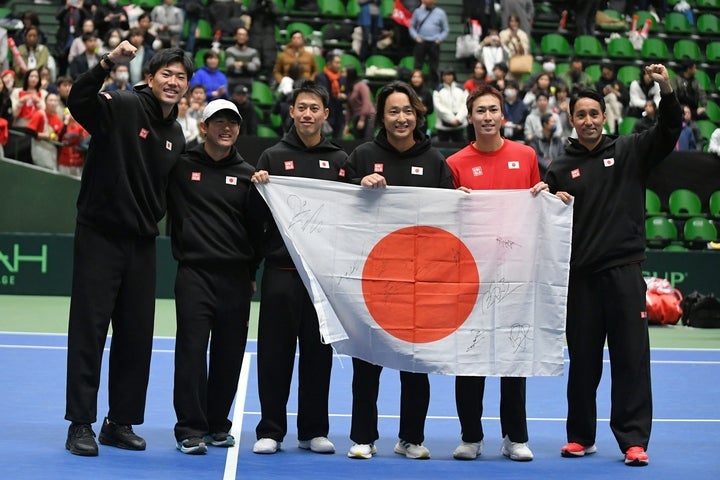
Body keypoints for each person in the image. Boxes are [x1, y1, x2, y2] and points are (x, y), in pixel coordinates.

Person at [545, 65, 681, 467]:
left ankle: (633, 441)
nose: (588, 121)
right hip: (580, 279)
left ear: (605, 117)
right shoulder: (557, 168)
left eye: (594, 114)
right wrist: (540, 194)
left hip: (623, 273)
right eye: (581, 115)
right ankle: (580, 437)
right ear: (571, 120)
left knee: (631, 359)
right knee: (583, 363)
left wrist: (665, 88)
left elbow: (671, 128)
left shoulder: (629, 150)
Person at [64, 42, 193, 457]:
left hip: (141, 243)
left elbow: (176, 196)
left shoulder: (176, 134)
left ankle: (119, 422)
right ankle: (80, 423)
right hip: (99, 234)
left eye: (181, 77)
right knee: (90, 331)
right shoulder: (122, 104)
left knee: (136, 336)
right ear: (150, 78)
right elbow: (78, 101)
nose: (174, 82)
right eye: (167, 75)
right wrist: (107, 63)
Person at [343, 80, 453, 461]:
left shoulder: (435, 161)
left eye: (407, 110)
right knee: (367, 363)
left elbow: (452, 220)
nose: (401, 118)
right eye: (393, 111)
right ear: (381, 116)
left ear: (418, 114)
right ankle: (363, 437)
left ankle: (411, 437)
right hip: (372, 279)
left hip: (420, 281)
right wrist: (359, 184)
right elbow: (339, 207)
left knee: (414, 365)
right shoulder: (361, 155)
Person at [445, 83, 544, 463]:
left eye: (493, 110)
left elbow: (536, 203)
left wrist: (547, 197)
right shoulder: (454, 164)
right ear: (470, 117)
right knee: (468, 358)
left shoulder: (526, 155)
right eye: (480, 111)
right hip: (471, 277)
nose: (487, 117)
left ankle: (515, 436)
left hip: (515, 276)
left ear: (503, 115)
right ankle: (471, 436)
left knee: (512, 357)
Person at [250, 81, 348, 455]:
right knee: (274, 355)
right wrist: (256, 188)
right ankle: (270, 429)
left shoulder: (339, 161)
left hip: (322, 280)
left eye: (314, 108)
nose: (307, 114)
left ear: (325, 114)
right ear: (291, 112)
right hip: (280, 274)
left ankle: (313, 430)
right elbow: (255, 218)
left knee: (317, 356)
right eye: (301, 107)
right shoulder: (272, 158)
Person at [168, 99, 263, 455]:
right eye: (218, 122)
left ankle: (217, 425)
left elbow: (257, 230)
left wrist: (251, 273)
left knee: (229, 354)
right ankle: (189, 428)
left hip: (237, 279)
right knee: (191, 353)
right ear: (203, 127)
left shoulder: (248, 175)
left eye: (233, 123)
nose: (227, 128)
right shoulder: (180, 167)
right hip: (194, 274)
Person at [409, 0, 449, 88]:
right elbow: (411, 27)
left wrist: (439, 39)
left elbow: (445, 29)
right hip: (421, 41)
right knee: (418, 66)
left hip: (434, 42)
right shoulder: (417, 12)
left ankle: (434, 87)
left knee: (434, 67)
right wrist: (416, 37)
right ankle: (416, 86)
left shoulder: (440, 13)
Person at [26, 91, 63, 171]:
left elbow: (59, 136)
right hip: (40, 148)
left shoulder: (57, 118)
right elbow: (29, 131)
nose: (53, 103)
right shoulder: (40, 114)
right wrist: (42, 135)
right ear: (45, 102)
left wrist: (55, 137)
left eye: (55, 101)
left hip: (51, 151)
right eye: (50, 100)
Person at [314, 53, 346, 139]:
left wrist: (344, 96)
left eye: (339, 63)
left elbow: (347, 93)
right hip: (326, 113)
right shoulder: (320, 77)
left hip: (338, 114)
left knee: (338, 140)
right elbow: (320, 95)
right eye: (336, 63)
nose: (339, 65)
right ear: (329, 63)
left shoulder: (342, 78)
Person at [433, 67, 468, 143]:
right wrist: (452, 119)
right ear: (442, 77)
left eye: (450, 75)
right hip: (443, 127)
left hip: (459, 125)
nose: (447, 77)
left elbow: (465, 105)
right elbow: (438, 107)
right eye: (445, 75)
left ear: (454, 76)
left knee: (459, 150)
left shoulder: (462, 89)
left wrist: (458, 119)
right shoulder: (437, 90)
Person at [224, 27, 261, 92]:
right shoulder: (229, 51)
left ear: (247, 37)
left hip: (248, 82)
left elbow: (255, 67)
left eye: (244, 35)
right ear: (235, 36)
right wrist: (248, 65)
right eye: (239, 34)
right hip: (232, 82)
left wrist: (242, 64)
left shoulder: (253, 52)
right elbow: (230, 65)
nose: (241, 37)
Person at [344, 65, 375, 141]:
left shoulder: (361, 85)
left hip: (368, 117)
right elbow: (348, 107)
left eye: (344, 72)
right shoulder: (349, 87)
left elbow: (366, 102)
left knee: (367, 140)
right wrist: (347, 124)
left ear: (350, 73)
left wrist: (362, 119)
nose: (342, 74)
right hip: (356, 117)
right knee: (358, 141)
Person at [595, 62, 628, 135]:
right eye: (604, 73)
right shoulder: (599, 83)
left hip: (616, 105)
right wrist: (603, 93)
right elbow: (596, 99)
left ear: (612, 71)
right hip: (603, 102)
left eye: (608, 73)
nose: (606, 75)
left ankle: (612, 132)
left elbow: (626, 99)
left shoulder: (618, 83)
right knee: (611, 96)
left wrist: (617, 93)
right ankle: (618, 117)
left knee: (609, 107)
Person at [529, 112, 564, 178]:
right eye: (552, 122)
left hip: (556, 172)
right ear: (545, 124)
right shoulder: (536, 140)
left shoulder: (557, 139)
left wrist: (555, 165)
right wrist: (548, 165)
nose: (555, 125)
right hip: (542, 174)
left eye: (555, 122)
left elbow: (562, 155)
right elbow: (536, 157)